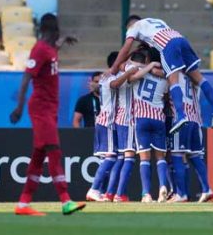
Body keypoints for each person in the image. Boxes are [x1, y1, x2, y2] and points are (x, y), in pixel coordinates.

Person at [9, 14, 85, 216]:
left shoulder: (50, 48)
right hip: (41, 108)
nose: (57, 35)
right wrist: (19, 107)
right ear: (49, 31)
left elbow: (52, 52)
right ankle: (65, 200)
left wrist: (62, 42)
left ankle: (23, 204)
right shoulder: (40, 48)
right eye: (56, 32)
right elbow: (27, 77)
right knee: (54, 151)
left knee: (37, 157)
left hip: (50, 108)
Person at [108, 16, 213, 134]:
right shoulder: (156, 21)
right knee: (199, 78)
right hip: (181, 39)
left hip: (167, 45)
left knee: (173, 80)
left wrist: (113, 69)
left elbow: (125, 49)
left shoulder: (133, 27)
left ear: (129, 26)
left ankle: (181, 116)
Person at [86, 53, 140, 202]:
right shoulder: (110, 77)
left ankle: (105, 192)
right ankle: (94, 189)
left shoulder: (108, 75)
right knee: (110, 157)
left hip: (110, 121)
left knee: (114, 157)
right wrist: (129, 72)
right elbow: (115, 84)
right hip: (107, 122)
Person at [127, 49, 169, 203]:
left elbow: (131, 77)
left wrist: (148, 66)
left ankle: (146, 194)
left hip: (142, 118)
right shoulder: (165, 77)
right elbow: (166, 95)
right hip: (158, 118)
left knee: (144, 157)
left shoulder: (140, 71)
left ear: (148, 59)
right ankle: (163, 186)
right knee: (160, 157)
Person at [169, 72, 213, 203]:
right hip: (196, 121)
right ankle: (207, 189)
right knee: (195, 157)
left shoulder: (173, 74)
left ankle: (181, 193)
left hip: (181, 120)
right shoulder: (193, 75)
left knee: (177, 155)